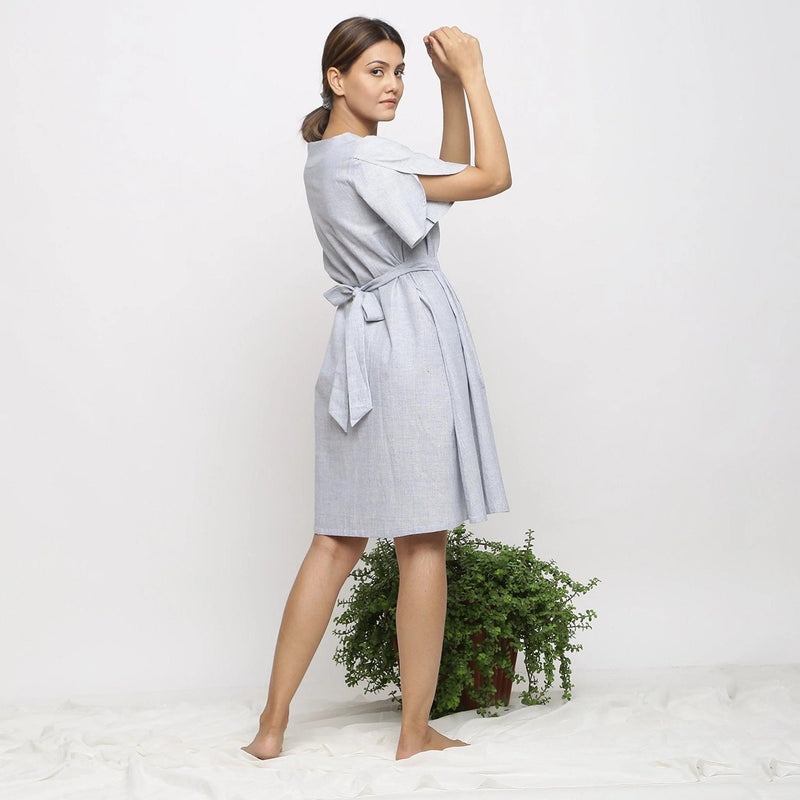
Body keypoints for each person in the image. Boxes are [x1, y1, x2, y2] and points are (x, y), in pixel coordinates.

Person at [242, 16, 511, 762]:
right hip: (406, 342)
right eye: (375, 71)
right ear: (336, 78)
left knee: (335, 539)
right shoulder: (367, 159)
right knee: (422, 539)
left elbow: (444, 173)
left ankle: (271, 728)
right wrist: (479, 77)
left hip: (359, 345)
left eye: (399, 72)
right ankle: (414, 732)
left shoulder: (329, 157)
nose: (392, 85)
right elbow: (490, 176)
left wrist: (449, 89)